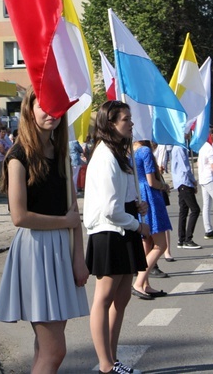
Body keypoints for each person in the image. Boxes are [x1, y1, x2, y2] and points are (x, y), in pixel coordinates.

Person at [0, 88, 89, 372]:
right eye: (44, 107)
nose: (51, 113)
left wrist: (79, 259)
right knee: (54, 350)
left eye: (56, 108)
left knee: (44, 347)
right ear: (29, 110)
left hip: (61, 250)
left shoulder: (60, 154)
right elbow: (19, 217)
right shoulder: (18, 156)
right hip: (35, 250)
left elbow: (74, 213)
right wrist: (64, 224)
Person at [84, 100, 148, 374]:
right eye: (126, 119)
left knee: (122, 298)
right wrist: (137, 224)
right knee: (105, 297)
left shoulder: (117, 153)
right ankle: (106, 365)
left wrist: (136, 203)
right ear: (111, 123)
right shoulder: (105, 156)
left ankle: (112, 356)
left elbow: (119, 197)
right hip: (110, 232)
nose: (131, 123)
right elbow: (110, 209)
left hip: (122, 228)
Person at [131, 140, 173, 300]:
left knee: (147, 242)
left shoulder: (130, 151)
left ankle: (145, 284)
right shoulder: (145, 151)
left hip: (139, 194)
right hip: (150, 195)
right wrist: (164, 186)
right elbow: (151, 181)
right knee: (160, 244)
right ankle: (139, 282)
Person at [171, 140, 202, 249]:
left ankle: (182, 239)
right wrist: (193, 181)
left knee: (183, 211)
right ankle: (188, 239)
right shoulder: (180, 148)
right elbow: (185, 167)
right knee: (195, 209)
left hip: (181, 182)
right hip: (184, 182)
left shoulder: (179, 147)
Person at [0, 126, 12, 193]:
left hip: (6, 159)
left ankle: (5, 189)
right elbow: (2, 150)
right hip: (1, 160)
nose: (3, 133)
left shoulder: (5, 140)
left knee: (6, 175)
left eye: (4, 132)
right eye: (2, 132)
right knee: (1, 175)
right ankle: (1, 190)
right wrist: (9, 155)